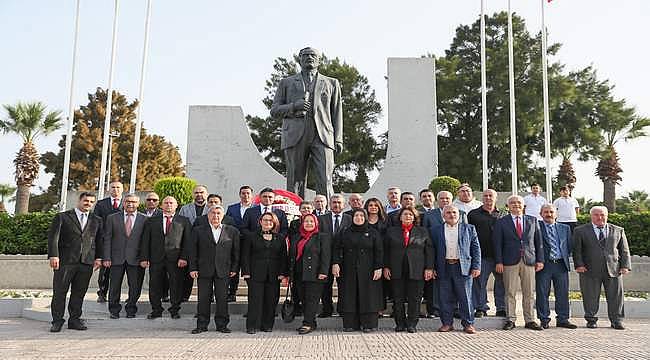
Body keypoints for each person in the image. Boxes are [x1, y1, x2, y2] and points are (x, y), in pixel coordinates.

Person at [270, 46, 343, 199]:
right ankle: (295, 216)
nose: (309, 58)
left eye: (313, 55)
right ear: (299, 60)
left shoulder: (331, 83)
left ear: (319, 60)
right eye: (305, 55)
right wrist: (294, 106)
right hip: (295, 135)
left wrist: (338, 138)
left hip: (322, 135)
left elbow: (336, 112)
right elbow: (275, 110)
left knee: (325, 178)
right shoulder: (286, 83)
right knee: (295, 179)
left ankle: (326, 215)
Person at [48, 192, 103, 332]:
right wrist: (54, 255)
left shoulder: (97, 220)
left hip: (86, 262)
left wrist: (98, 258)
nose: (88, 203)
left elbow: (99, 241)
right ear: (79, 201)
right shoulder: (62, 217)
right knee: (60, 292)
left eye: (91, 202)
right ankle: (57, 321)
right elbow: (53, 238)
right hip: (65, 261)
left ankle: (74, 320)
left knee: (79, 293)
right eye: (86, 201)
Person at [573, 206, 631, 330]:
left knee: (616, 296)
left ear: (607, 216)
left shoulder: (618, 230)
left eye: (602, 215)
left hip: (613, 269)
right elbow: (577, 250)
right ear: (591, 216)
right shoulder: (580, 231)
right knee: (590, 296)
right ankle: (591, 319)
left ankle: (617, 320)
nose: (600, 217)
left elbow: (624, 250)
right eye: (596, 215)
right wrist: (579, 264)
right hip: (589, 269)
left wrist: (625, 266)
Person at [494, 195, 544, 331]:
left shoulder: (533, 220)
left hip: (529, 261)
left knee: (529, 292)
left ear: (523, 206)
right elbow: (497, 244)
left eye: (518, 203)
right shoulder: (501, 222)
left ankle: (530, 320)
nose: (516, 205)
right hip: (509, 261)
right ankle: (510, 319)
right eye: (512, 203)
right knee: (510, 292)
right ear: (508, 206)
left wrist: (540, 260)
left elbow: (538, 242)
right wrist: (499, 261)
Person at [188, 205, 240, 334]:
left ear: (222, 216)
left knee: (222, 299)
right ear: (208, 215)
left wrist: (234, 268)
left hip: (224, 270)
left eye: (218, 213)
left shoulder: (232, 231)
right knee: (203, 298)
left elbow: (236, 252)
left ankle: (222, 325)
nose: (215, 216)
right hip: (204, 269)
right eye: (213, 213)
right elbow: (193, 251)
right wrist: (193, 267)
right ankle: (201, 325)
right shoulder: (198, 230)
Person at [431, 205, 481, 334]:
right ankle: (447, 323)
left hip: (463, 267)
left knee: (465, 297)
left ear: (459, 215)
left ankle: (468, 324)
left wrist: (476, 266)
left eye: (454, 212)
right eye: (448, 213)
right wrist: (431, 267)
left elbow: (476, 249)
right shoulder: (436, 230)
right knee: (444, 297)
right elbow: (432, 250)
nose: (451, 215)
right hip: (444, 266)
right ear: (443, 215)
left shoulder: (469, 229)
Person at [140, 196, 192, 320]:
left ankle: (174, 309)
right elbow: (145, 240)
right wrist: (144, 258)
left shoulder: (183, 220)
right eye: (166, 203)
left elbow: (188, 241)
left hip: (176, 259)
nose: (168, 205)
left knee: (176, 284)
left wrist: (184, 257)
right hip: (156, 258)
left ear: (176, 205)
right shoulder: (152, 220)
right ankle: (156, 310)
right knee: (155, 284)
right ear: (161, 205)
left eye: (171, 203)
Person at [383, 206, 434, 333]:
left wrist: (429, 268)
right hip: (396, 269)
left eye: (410, 215)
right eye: (405, 214)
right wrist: (386, 267)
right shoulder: (391, 231)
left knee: (415, 298)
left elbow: (429, 251)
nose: (408, 216)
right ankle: (400, 323)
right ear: (400, 217)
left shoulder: (423, 231)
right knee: (397, 298)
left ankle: (412, 324)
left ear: (414, 217)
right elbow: (385, 251)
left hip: (417, 270)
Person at [332, 209, 384, 332]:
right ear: (352, 217)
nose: (359, 218)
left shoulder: (373, 232)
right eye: (356, 215)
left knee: (368, 296)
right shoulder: (345, 232)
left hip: (369, 270)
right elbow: (336, 248)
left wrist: (378, 267)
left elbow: (379, 251)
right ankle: (350, 324)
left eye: (361, 215)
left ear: (365, 217)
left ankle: (369, 324)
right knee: (349, 295)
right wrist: (336, 263)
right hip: (348, 269)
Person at [241, 212, 289, 334]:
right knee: (255, 300)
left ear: (274, 223)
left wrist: (282, 273)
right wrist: (246, 272)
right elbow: (245, 255)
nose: (268, 222)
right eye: (265, 220)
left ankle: (267, 325)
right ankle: (252, 326)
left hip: (274, 274)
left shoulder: (280, 238)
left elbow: (283, 257)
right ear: (260, 221)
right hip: (255, 274)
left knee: (271, 300)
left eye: (270, 221)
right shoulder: (251, 237)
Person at [102, 193, 147, 319]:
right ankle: (114, 310)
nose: (130, 204)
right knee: (114, 285)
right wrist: (106, 257)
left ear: (138, 204)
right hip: (116, 258)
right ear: (123, 202)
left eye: (133, 202)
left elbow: (146, 241)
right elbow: (107, 238)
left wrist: (145, 258)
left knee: (135, 286)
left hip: (136, 259)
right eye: (127, 201)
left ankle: (131, 308)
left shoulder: (144, 219)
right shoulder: (112, 218)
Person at [422, 190, 466, 318]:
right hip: (437, 255)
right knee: (439, 286)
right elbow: (426, 237)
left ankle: (456, 309)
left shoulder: (461, 214)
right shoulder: (429, 215)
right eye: (442, 198)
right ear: (437, 200)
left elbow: (466, 236)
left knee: (458, 286)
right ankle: (437, 308)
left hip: (458, 257)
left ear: (452, 200)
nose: (445, 200)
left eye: (447, 198)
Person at [536, 204, 577, 329]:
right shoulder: (536, 226)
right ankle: (544, 319)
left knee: (563, 293)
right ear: (541, 214)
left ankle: (563, 319)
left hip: (561, 264)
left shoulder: (565, 228)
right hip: (544, 264)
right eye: (546, 212)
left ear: (556, 214)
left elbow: (569, 246)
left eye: (551, 212)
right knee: (542, 293)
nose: (549, 214)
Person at [289, 213, 331, 335]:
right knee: (303, 299)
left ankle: (307, 323)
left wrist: (323, 272)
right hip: (298, 273)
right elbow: (291, 256)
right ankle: (311, 322)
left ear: (316, 224)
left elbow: (326, 256)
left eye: (311, 222)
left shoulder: (322, 237)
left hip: (315, 274)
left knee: (311, 299)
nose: (308, 224)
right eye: (306, 221)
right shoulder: (297, 237)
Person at [468, 189, 506, 317]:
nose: (488, 198)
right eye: (486, 196)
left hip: (500, 256)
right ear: (482, 198)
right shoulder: (473, 215)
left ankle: (501, 307)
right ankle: (480, 307)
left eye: (491, 196)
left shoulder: (503, 214)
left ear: (496, 198)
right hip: (481, 255)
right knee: (479, 283)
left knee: (501, 282)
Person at [318, 194, 351, 317]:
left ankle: (343, 309)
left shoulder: (350, 219)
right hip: (325, 257)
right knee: (325, 285)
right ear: (329, 204)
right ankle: (327, 309)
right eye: (334, 202)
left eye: (339, 202)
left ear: (344, 205)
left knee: (344, 285)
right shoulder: (321, 219)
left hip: (344, 258)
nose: (336, 205)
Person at [92, 181, 123, 303]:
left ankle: (117, 295)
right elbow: (96, 222)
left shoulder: (128, 203)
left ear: (122, 189)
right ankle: (102, 292)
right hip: (106, 241)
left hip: (122, 241)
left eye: (118, 187)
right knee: (105, 269)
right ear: (109, 189)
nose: (115, 190)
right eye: (113, 187)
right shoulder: (101, 204)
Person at [178, 185, 209, 301]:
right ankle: (184, 296)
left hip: (207, 245)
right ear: (193, 195)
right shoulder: (185, 209)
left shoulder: (212, 208)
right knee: (187, 273)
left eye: (201, 192)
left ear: (206, 194)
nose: (199, 194)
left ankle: (207, 298)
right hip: (189, 244)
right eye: (196, 192)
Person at [364, 197, 390, 314]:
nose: (373, 207)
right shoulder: (362, 220)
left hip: (382, 254)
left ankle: (379, 309)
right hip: (366, 256)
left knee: (380, 284)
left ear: (379, 207)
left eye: (375, 205)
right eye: (370, 205)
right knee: (368, 283)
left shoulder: (386, 221)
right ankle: (368, 307)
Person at [143, 191, 168, 302]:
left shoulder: (162, 214)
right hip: (144, 249)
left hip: (162, 252)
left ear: (159, 203)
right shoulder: (139, 213)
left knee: (164, 277)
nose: (151, 202)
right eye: (149, 199)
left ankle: (164, 294)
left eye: (154, 200)